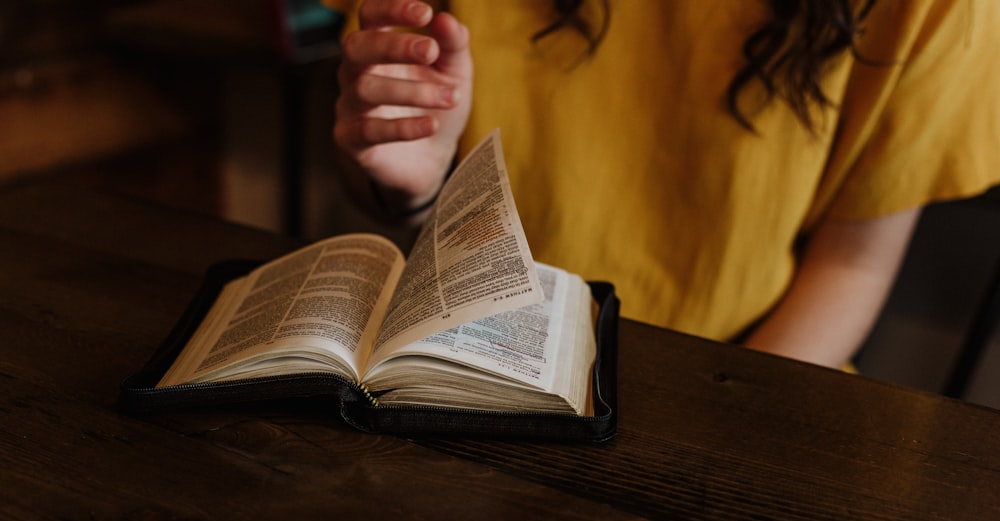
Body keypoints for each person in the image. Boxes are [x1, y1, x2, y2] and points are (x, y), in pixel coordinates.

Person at [329, 0, 1000, 369]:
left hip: (748, 379)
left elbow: (853, 264)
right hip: (468, 363)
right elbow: (387, 197)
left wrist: (709, 424)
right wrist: (411, 184)